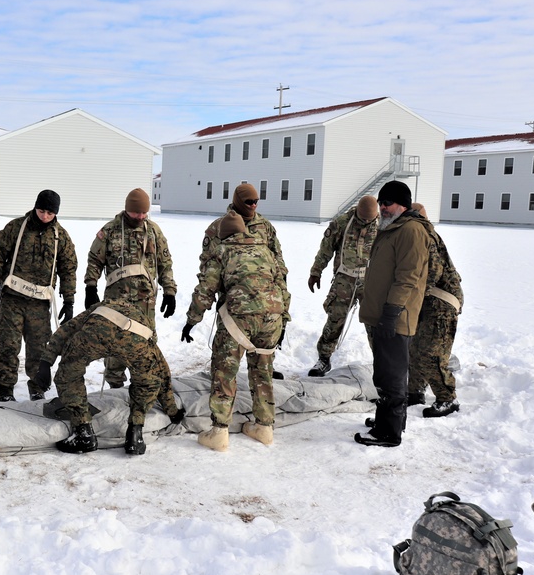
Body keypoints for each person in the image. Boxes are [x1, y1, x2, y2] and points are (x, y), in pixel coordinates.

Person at [181, 210, 291, 451]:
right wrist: (283, 318)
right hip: (271, 318)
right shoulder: (266, 251)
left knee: (224, 371)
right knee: (263, 371)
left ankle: (219, 431)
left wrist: (192, 320)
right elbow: (282, 284)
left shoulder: (222, 252)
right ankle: (264, 427)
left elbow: (206, 290)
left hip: (238, 320)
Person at [34, 298, 185, 456]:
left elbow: (65, 331)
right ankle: (135, 434)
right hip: (134, 340)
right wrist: (172, 412)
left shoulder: (99, 307)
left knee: (69, 375)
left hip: (95, 333)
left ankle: (83, 433)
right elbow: (162, 373)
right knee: (147, 382)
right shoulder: (142, 320)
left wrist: (46, 363)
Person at [355, 181, 431, 448]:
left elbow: (408, 277)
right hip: (383, 315)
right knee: (384, 374)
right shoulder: (392, 227)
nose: (382, 208)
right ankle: (387, 421)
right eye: (381, 203)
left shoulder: (411, 230)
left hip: (396, 317)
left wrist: (391, 312)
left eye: (387, 203)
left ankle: (390, 432)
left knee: (393, 377)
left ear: (402, 204)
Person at [0, 190, 77, 402]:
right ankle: (4, 389)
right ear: (35, 207)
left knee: (40, 350)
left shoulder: (60, 237)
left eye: (50, 213)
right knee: (8, 345)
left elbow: (68, 269)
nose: (44, 216)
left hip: (40, 304)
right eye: (42, 210)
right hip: (12, 300)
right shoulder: (16, 228)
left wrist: (69, 300)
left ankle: (38, 388)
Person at [83, 188, 176, 388]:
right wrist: (90, 286)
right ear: (127, 210)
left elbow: (165, 263)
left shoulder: (153, 231)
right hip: (117, 301)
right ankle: (115, 386)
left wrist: (170, 291)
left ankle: (143, 387)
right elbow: (94, 260)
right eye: (136, 213)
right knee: (115, 342)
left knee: (145, 343)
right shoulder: (109, 230)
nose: (140, 216)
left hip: (145, 303)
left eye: (144, 213)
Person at [199, 183, 289, 378]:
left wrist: (282, 302)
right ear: (238, 202)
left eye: (256, 201)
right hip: (234, 297)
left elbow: (278, 261)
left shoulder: (265, 227)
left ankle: (264, 369)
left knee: (263, 339)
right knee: (229, 345)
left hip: (266, 293)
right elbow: (208, 265)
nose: (254, 205)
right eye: (249, 201)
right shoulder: (218, 227)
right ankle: (225, 372)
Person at [307, 195, 379, 376]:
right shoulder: (342, 223)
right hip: (345, 279)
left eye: (370, 220)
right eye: (364, 219)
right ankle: (323, 358)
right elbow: (326, 248)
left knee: (375, 323)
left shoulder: (382, 226)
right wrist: (316, 272)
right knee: (335, 319)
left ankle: (382, 360)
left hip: (370, 280)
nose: (366, 222)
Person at [407, 203, 464, 418]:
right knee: (414, 348)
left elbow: (430, 273)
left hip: (441, 305)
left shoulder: (426, 237)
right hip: (428, 302)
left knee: (430, 353)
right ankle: (414, 391)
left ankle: (447, 399)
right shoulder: (423, 234)